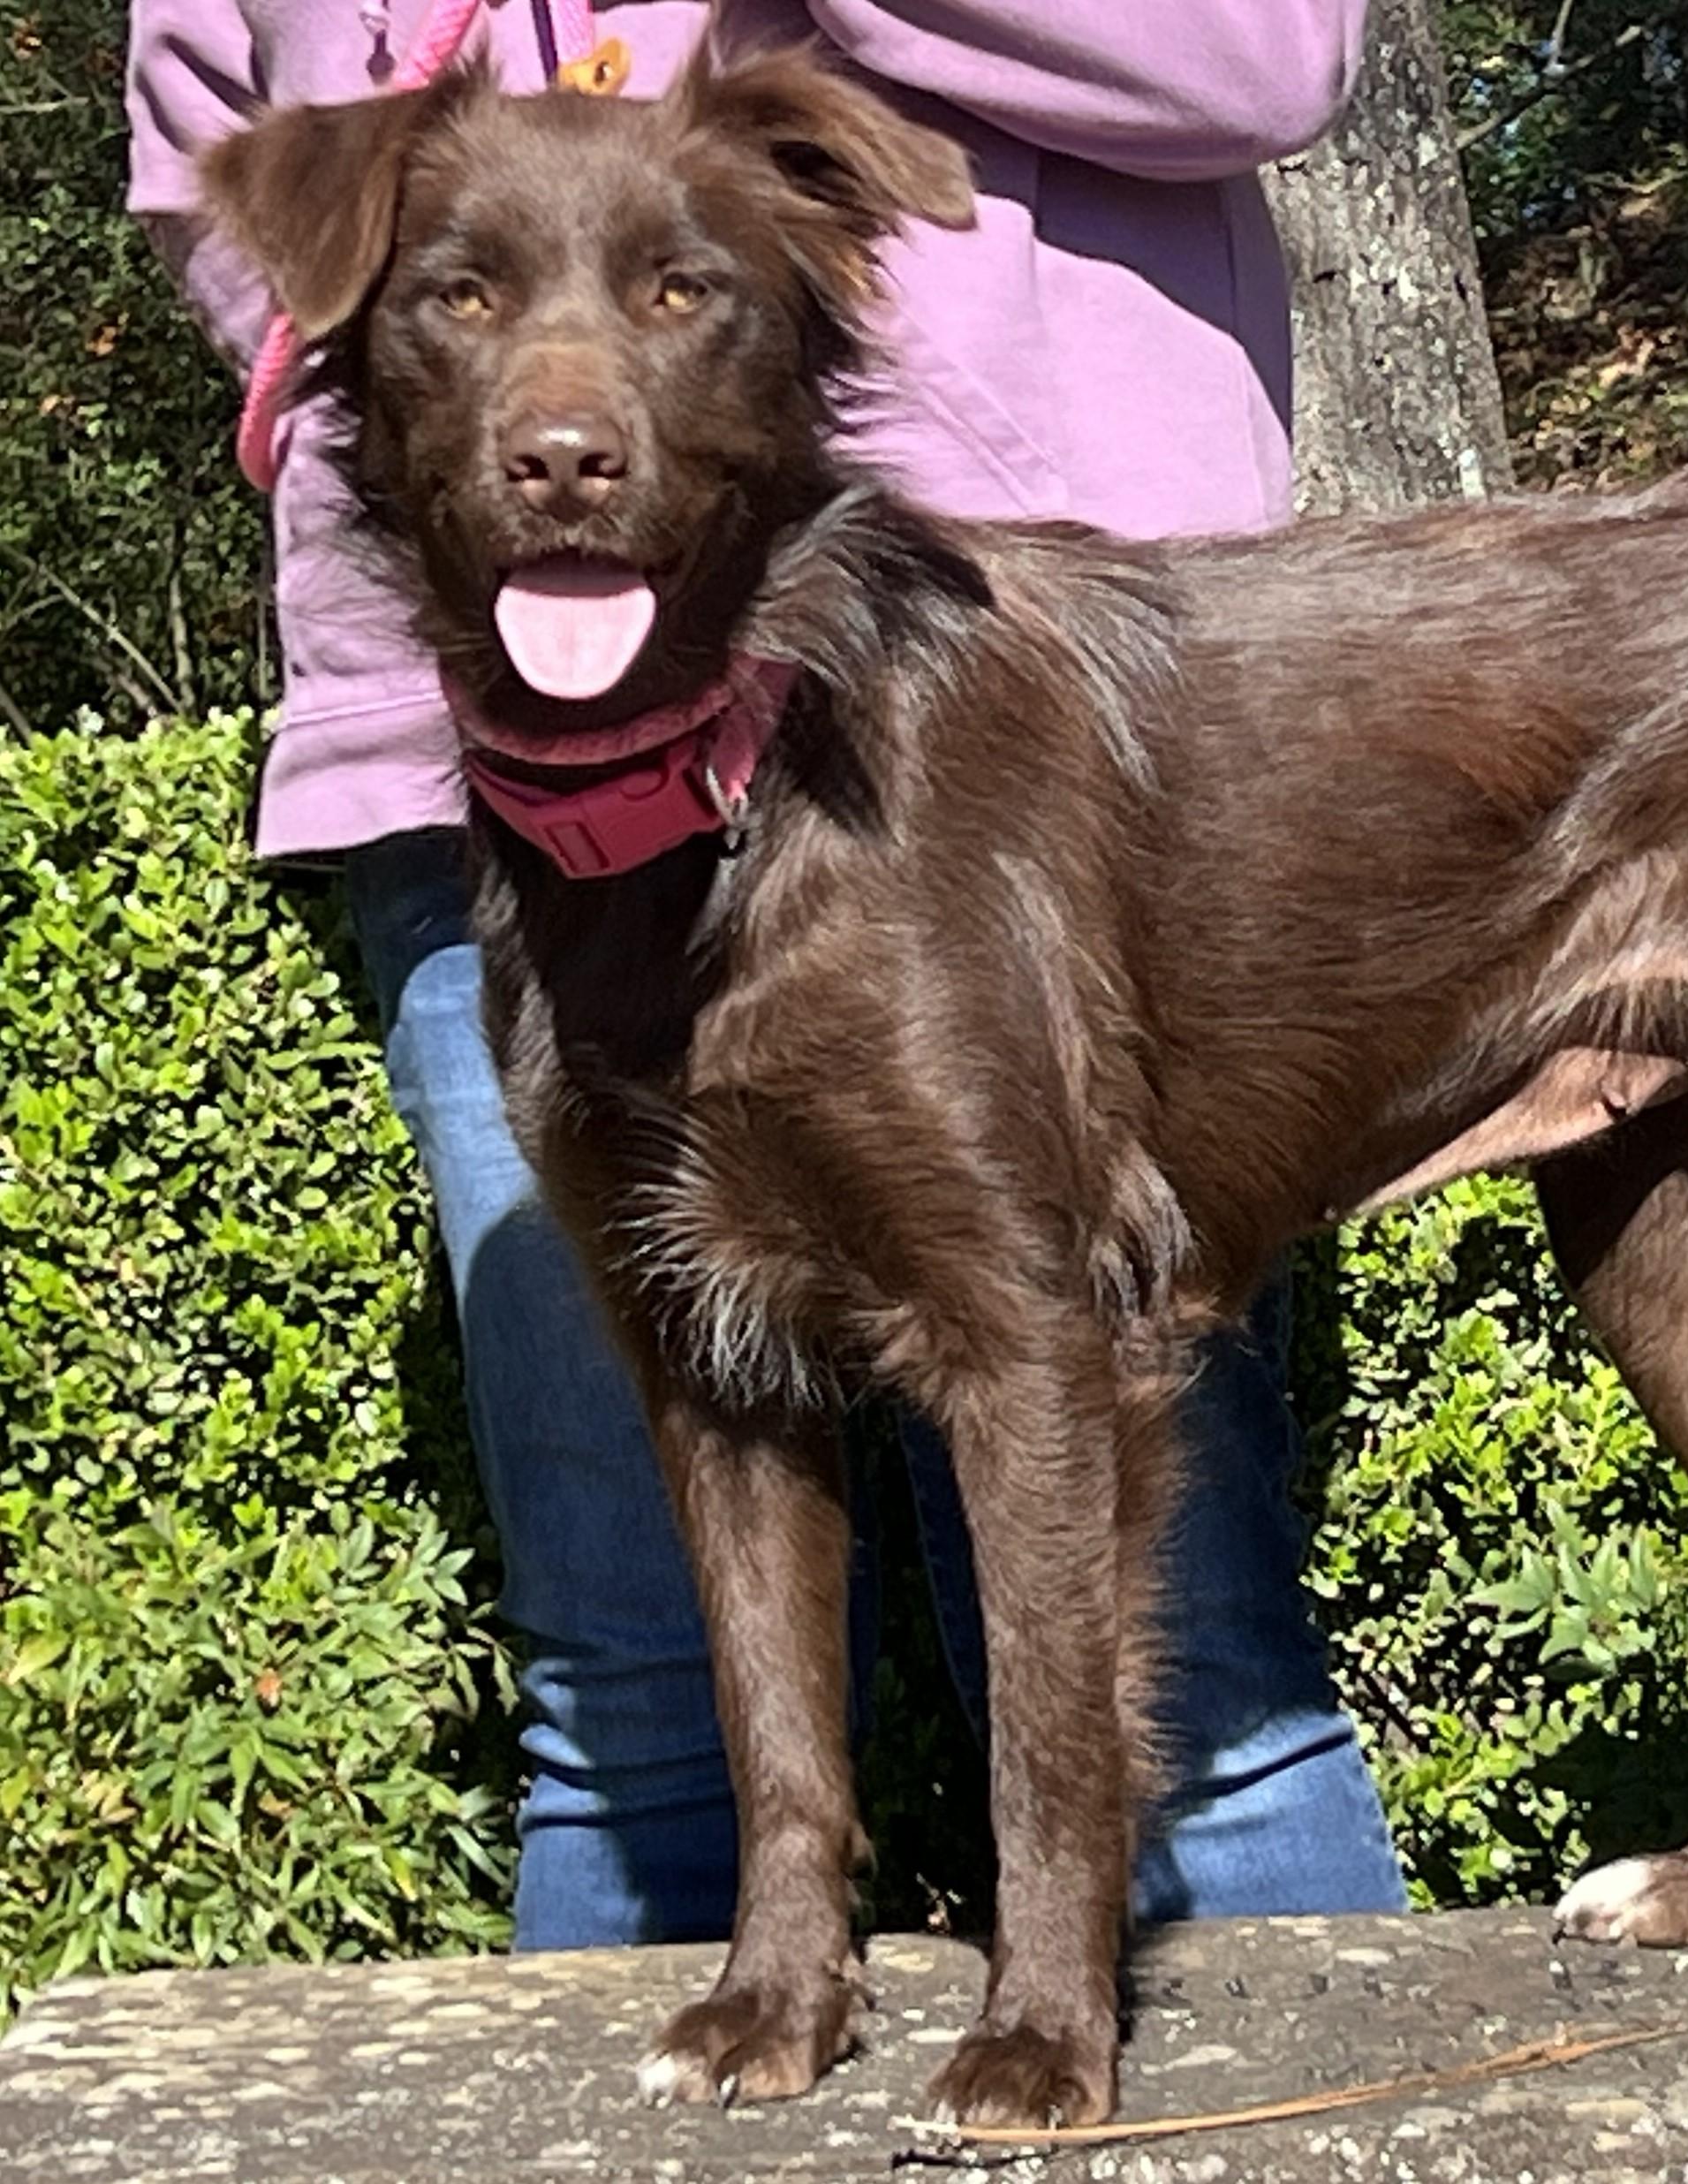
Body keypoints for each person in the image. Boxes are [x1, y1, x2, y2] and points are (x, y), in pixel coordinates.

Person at [125, 0, 1407, 1948]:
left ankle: (1234, 2074)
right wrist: (427, 382)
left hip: (1005, 703)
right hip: (476, 763)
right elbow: (205, 147)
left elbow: (1261, 58)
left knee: (1195, 1644)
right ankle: (734, 2037)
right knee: (624, 1685)